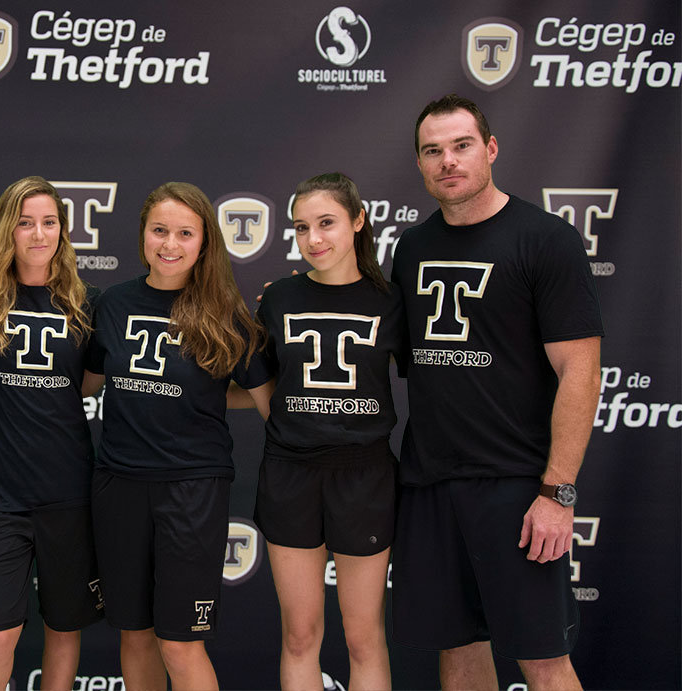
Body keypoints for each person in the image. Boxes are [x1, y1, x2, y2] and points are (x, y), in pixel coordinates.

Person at [390, 94, 603, 690]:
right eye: (433, 151)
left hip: (517, 487)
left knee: (543, 660)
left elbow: (581, 371)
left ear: (490, 149)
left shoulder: (546, 238)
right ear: (419, 163)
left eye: (461, 146)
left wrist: (557, 492)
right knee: (458, 650)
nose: (447, 161)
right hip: (430, 483)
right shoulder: (412, 247)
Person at [84, 182, 271, 689]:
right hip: (119, 485)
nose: (170, 244)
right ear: (143, 233)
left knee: (180, 643)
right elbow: (84, 383)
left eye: (185, 233)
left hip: (191, 490)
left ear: (205, 241)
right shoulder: (113, 303)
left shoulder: (223, 311)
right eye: (159, 230)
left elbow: (267, 401)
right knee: (135, 635)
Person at [254, 173, 403, 689]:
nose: (313, 238)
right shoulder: (278, 298)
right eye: (301, 227)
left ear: (358, 221)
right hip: (291, 474)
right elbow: (260, 382)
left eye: (326, 223)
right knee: (300, 637)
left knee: (363, 638)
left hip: (364, 477)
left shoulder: (392, 302)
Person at [0, 176, 105, 690]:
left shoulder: (88, 304)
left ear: (63, 230)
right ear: (7, 229)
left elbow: (88, 383)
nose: (38, 234)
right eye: (25, 222)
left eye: (49, 222)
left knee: (63, 628)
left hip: (67, 493)